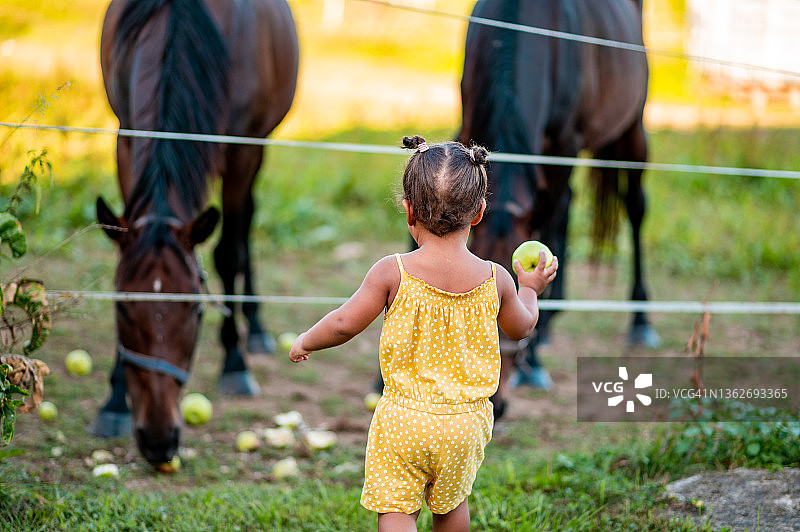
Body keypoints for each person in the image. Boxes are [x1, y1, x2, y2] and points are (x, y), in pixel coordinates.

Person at [289, 135, 558, 532]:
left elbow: (344, 324)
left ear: (408, 210)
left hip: (404, 421)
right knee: (452, 507)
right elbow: (522, 327)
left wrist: (306, 340)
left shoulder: (392, 272)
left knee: (398, 511)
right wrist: (530, 289)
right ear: (479, 212)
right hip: (466, 426)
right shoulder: (496, 278)